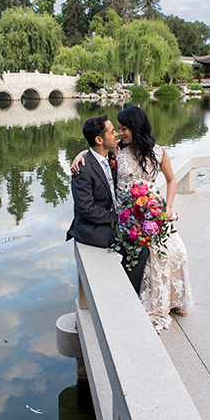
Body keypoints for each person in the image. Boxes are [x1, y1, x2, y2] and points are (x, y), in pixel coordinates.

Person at [72, 106, 194, 331]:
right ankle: (148, 301)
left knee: (177, 251)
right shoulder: (118, 150)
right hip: (126, 213)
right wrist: (79, 155)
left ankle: (174, 300)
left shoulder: (159, 153)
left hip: (152, 209)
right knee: (147, 252)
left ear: (136, 127)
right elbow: (95, 149)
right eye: (116, 129)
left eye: (123, 128)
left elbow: (171, 181)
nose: (119, 133)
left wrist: (167, 207)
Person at [67, 114, 149, 293]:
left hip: (110, 216)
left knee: (143, 234)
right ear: (99, 139)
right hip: (91, 227)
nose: (117, 135)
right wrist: (119, 218)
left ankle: (127, 288)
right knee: (139, 246)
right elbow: (86, 209)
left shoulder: (108, 155)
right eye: (112, 132)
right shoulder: (82, 169)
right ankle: (129, 296)